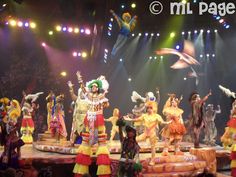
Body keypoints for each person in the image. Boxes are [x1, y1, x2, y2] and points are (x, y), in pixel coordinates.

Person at [73, 71, 111, 177]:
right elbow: (83, 88)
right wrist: (80, 79)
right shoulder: (89, 96)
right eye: (92, 86)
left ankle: (103, 173)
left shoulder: (102, 96)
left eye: (95, 86)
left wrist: (105, 101)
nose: (94, 88)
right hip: (89, 119)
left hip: (98, 119)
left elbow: (107, 104)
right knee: (86, 141)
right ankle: (81, 172)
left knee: (101, 140)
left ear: (98, 88)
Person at [125, 101, 169, 165]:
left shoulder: (157, 116)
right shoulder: (144, 116)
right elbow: (137, 119)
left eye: (150, 108)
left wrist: (167, 123)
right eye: (148, 108)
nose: (149, 109)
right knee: (134, 140)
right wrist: (129, 119)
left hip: (152, 134)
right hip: (145, 133)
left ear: (153, 108)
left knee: (153, 147)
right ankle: (131, 156)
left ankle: (153, 160)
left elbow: (162, 122)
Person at [67, 80, 88, 145]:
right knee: (76, 131)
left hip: (85, 117)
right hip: (78, 117)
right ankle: (72, 142)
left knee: (85, 131)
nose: (82, 93)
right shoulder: (77, 99)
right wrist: (70, 88)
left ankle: (86, 143)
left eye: (83, 92)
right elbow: (72, 94)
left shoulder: (88, 99)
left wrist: (81, 81)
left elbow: (84, 88)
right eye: (81, 92)